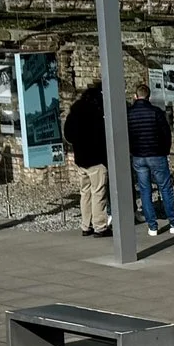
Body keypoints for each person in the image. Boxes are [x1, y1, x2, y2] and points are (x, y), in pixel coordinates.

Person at [125, 92, 174, 237]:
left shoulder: (129, 114)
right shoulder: (156, 112)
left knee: (145, 190)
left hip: (139, 156)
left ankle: (152, 226)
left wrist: (133, 150)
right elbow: (166, 133)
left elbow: (127, 134)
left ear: (135, 96)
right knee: (165, 189)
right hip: (156, 154)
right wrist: (164, 150)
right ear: (149, 97)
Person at [62, 83, 111, 237]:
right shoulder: (96, 114)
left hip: (80, 159)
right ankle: (100, 226)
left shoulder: (74, 112)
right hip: (96, 160)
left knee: (85, 193)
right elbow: (103, 137)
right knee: (98, 193)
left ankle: (86, 225)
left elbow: (68, 136)